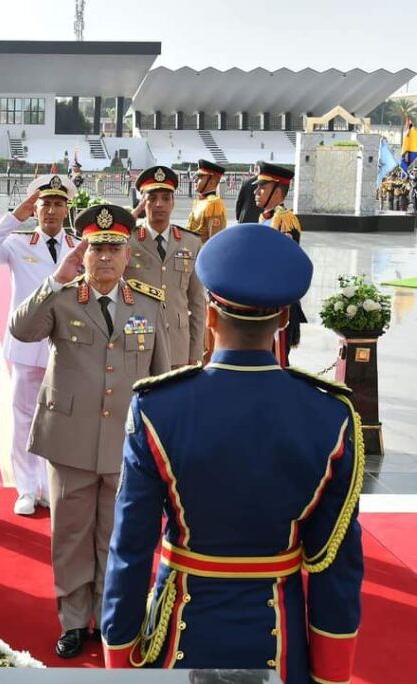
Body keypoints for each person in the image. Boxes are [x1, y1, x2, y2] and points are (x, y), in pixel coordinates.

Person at [101, 224, 363, 684]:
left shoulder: (157, 407)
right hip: (278, 642)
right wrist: (332, 674)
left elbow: (130, 550)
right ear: (284, 320)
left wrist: (119, 657)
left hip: (182, 632)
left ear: (210, 314)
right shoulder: (330, 415)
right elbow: (335, 567)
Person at [10, 204, 170, 659]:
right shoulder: (62, 296)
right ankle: (75, 621)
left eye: (113, 248)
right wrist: (57, 277)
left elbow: (162, 378)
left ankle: (110, 619)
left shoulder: (148, 302)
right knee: (72, 536)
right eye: (96, 247)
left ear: (127, 254)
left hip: (126, 445)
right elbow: (21, 330)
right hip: (70, 439)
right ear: (84, 251)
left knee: (116, 536)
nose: (104, 257)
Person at [0, 174, 82, 516]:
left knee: (61, 419)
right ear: (34, 208)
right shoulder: (20, 243)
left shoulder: (79, 247)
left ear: (67, 209)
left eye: (57, 204)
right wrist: (16, 215)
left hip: (67, 346)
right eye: (44, 204)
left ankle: (49, 484)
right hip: (27, 345)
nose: (50, 211)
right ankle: (25, 488)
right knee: (23, 418)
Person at [125, 166, 206, 368]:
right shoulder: (127, 240)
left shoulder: (190, 242)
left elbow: (196, 302)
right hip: (137, 342)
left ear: (173, 202)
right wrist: (125, 224)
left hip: (177, 345)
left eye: (166, 198)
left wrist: (195, 352)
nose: (159, 204)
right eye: (152, 198)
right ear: (143, 202)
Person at [254, 162, 306, 367]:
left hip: (277, 302)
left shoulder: (284, 219)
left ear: (278, 191)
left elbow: (285, 264)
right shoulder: (265, 218)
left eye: (262, 187)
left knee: (277, 360)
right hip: (263, 299)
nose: (256, 191)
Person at [186, 160, 227, 243]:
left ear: (211, 182)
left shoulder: (214, 204)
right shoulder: (201, 201)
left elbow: (215, 241)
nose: (195, 180)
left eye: (200, 177)